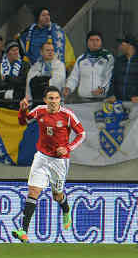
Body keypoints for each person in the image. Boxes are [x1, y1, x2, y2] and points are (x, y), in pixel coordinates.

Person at [13, 86, 86, 243]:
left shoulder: (67, 115)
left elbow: (82, 134)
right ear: (45, 100)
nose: (53, 101)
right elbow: (23, 122)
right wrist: (23, 111)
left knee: (57, 195)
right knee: (33, 191)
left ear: (60, 100)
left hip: (59, 162)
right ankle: (23, 231)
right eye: (50, 98)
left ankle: (66, 209)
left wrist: (67, 148)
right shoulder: (40, 110)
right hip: (41, 157)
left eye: (56, 98)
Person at [65, 30, 114, 101]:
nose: (94, 43)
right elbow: (74, 77)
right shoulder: (81, 59)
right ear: (87, 43)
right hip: (83, 100)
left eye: (97, 40)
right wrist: (68, 88)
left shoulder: (108, 58)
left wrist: (103, 89)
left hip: (102, 100)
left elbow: (109, 77)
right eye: (91, 40)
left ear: (101, 42)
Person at [105, 35, 138, 103]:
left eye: (122, 44)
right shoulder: (119, 60)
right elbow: (113, 80)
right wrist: (111, 94)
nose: (120, 47)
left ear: (130, 45)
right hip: (119, 102)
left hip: (136, 103)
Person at [0, 40, 29, 109]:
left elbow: (23, 82)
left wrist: (7, 78)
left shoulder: (25, 65)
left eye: (17, 50)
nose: (16, 53)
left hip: (18, 99)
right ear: (7, 53)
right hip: (3, 99)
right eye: (13, 50)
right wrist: (12, 84)